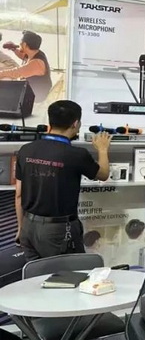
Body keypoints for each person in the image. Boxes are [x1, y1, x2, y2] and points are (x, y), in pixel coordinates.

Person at [15, 100, 110, 261]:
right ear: (75, 123)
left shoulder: (26, 150)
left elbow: (18, 195)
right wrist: (102, 149)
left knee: (36, 274)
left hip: (28, 227)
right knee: (69, 273)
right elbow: (103, 174)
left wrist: (20, 227)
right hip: (58, 231)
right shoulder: (77, 154)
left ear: (50, 120)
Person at [0, 31, 53, 102]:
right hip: (31, 90)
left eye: (20, 42)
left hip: (35, 96)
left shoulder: (36, 63)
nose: (19, 44)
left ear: (24, 44)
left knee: (5, 86)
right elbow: (23, 56)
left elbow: (15, 73)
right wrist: (14, 49)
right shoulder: (35, 53)